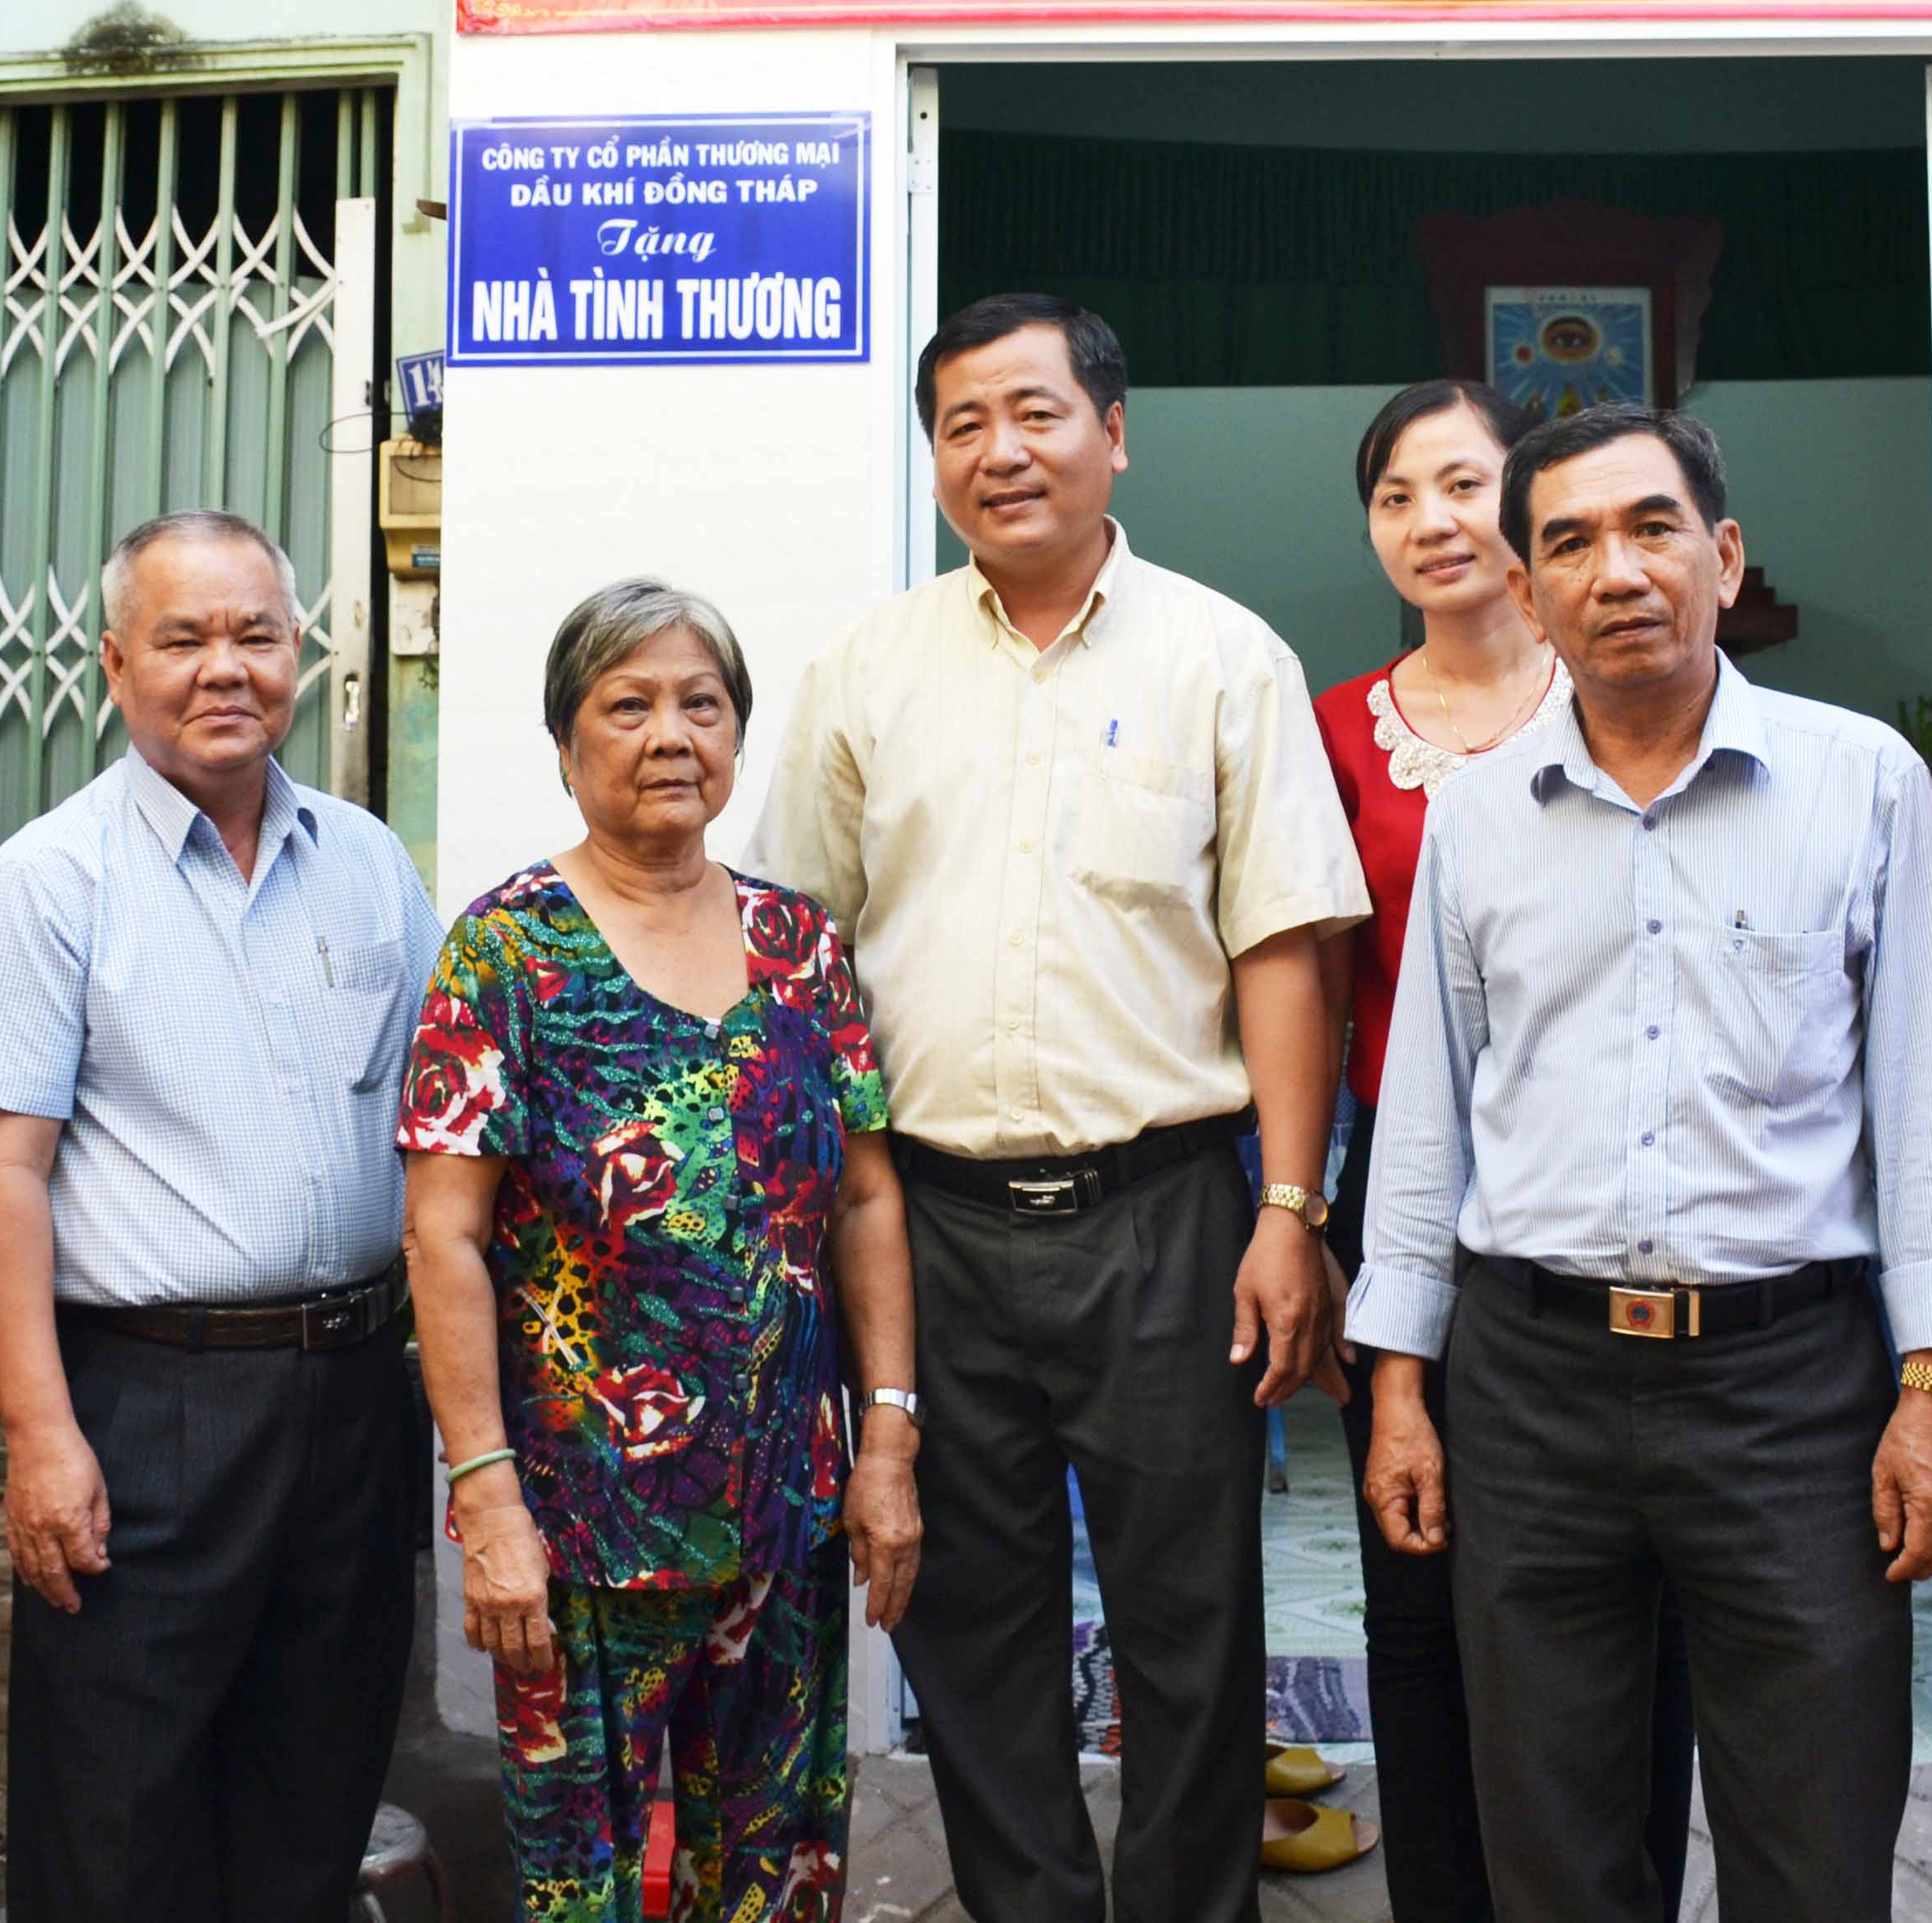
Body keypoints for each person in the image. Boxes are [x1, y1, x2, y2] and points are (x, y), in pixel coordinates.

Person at [753, 293, 1368, 1923]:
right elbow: (793, 957)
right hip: (928, 1225)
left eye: (1034, 412)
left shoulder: (1224, 659)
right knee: (969, 1621)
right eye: (963, 423)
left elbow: (1284, 953)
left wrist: (1289, 1215)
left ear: (1114, 430)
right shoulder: (863, 672)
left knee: (1193, 1623)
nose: (1001, 452)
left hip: (1169, 1216)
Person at [1349, 403, 1932, 1923]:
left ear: (1724, 552)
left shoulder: (1862, 781)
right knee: (1554, 1849)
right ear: (1527, 581)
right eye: (1567, 541)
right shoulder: (1481, 812)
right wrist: (1396, 1389)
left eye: (1649, 529)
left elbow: (1921, 1102)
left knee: (1815, 1841)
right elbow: (1431, 1111)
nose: (1614, 570)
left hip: (1791, 1386)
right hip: (1532, 1382)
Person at [0, 511, 444, 1922]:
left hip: (353, 1395)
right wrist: (38, 1436)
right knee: (119, 1809)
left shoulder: (368, 867)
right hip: (149, 1404)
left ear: (304, 653)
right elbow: (2, 1174)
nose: (225, 667)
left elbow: (441, 1133)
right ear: (116, 663)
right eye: (184, 639)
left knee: (317, 1787)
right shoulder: (52, 880)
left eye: (256, 635)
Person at [401, 579, 919, 1919]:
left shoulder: (801, 945)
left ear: (739, 737)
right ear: (569, 745)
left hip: (786, 1512)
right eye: (626, 706)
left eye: (703, 702)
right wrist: (488, 1502)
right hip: (582, 1527)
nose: (670, 734)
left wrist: (888, 1442)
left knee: (776, 1868)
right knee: (585, 1885)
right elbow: (444, 1238)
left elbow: (865, 1201)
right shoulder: (507, 951)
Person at [1309, 380, 1689, 1923]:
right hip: (1401, 1204)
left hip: (1601, 1203)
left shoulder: (1620, 703)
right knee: (1418, 1589)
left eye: (1464, 485)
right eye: (1399, 496)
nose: (1434, 522)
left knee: (1614, 1600)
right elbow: (1308, 989)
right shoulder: (1332, 731)